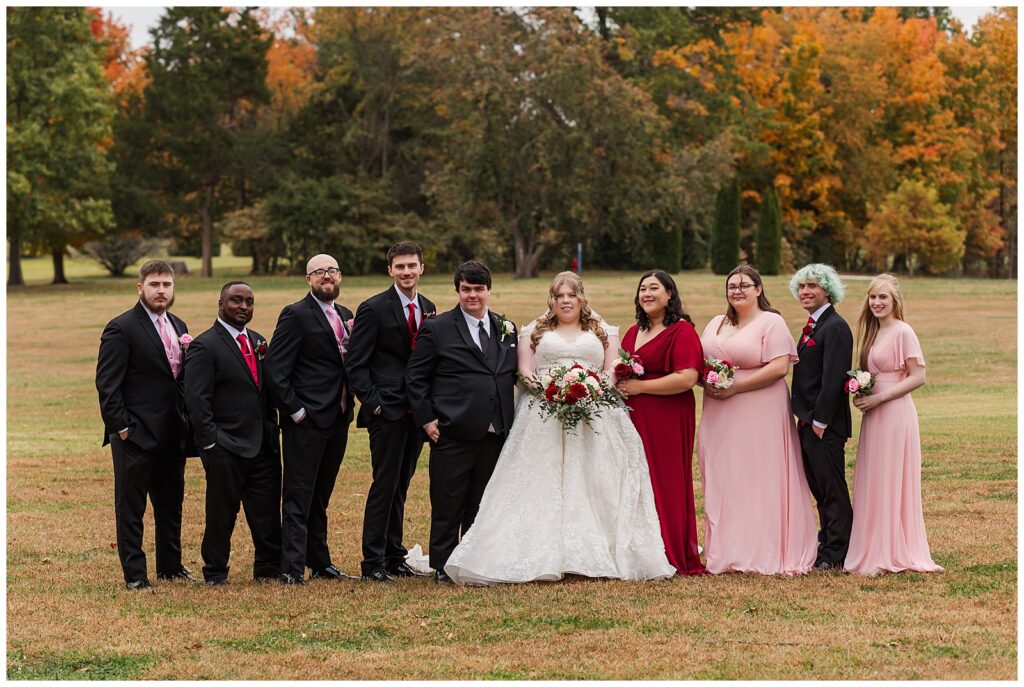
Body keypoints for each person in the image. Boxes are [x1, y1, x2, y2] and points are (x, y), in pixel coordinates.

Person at [444, 272, 675, 585]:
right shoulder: (532, 331)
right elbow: (524, 371)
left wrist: (594, 387)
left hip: (595, 411)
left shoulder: (603, 330)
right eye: (558, 296)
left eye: (571, 295)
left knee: (596, 479)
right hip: (544, 411)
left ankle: (596, 551)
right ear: (551, 300)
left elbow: (612, 367)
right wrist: (549, 391)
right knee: (542, 480)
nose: (565, 301)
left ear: (581, 298)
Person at [698, 265, 817, 575]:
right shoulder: (715, 323)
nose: (737, 290)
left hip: (760, 409)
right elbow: (698, 363)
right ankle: (727, 549)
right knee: (725, 476)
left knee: (759, 476)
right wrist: (706, 382)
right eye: (732, 285)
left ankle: (763, 549)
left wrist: (735, 385)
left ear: (759, 289)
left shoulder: (771, 322)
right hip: (719, 413)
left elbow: (779, 368)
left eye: (744, 285)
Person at [405, 260, 518, 585]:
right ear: (458, 291)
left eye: (478, 289)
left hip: (495, 431)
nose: (472, 295)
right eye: (466, 289)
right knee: (447, 500)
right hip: (452, 431)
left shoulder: (505, 327)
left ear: (488, 291)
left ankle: (472, 560)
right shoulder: (437, 328)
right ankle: (443, 564)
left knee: (481, 501)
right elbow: (415, 377)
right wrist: (427, 420)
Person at [96, 260, 195, 589]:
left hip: (171, 433)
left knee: (171, 505)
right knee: (131, 509)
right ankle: (135, 575)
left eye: (167, 284)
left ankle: (170, 565)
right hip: (135, 436)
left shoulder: (178, 325)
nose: (161, 290)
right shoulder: (121, 327)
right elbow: (107, 385)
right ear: (141, 288)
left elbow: (179, 379)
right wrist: (122, 428)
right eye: (155, 284)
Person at [347, 242, 436, 583]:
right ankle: (372, 562)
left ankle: (394, 555)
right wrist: (375, 403)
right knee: (384, 485)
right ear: (390, 271)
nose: (406, 272)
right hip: (387, 412)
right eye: (399, 267)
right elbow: (356, 364)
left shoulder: (428, 307)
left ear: (421, 268)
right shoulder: (373, 308)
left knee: (402, 484)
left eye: (412, 266)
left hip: (415, 412)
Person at [183, 282, 282, 585]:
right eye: (236, 300)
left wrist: (271, 430)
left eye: (249, 302)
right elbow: (197, 399)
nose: (243, 307)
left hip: (262, 444)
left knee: (266, 510)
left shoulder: (258, 341)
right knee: (221, 513)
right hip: (225, 445)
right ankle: (215, 571)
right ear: (221, 303)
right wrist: (211, 442)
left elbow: (265, 392)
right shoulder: (205, 345)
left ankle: (267, 567)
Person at [266, 254, 356, 585]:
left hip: (338, 418)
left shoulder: (346, 315)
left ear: (340, 276)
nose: (326, 276)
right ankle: (291, 567)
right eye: (319, 272)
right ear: (309, 279)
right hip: (306, 421)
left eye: (331, 270)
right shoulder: (295, 314)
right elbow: (275, 370)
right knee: (298, 494)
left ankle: (320, 561)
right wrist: (296, 411)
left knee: (321, 494)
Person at [844, 274, 942, 575]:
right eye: (872, 297)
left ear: (895, 301)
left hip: (895, 413)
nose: (876, 303)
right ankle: (872, 547)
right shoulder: (873, 332)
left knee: (891, 477)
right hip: (874, 415)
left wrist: (879, 398)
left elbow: (918, 377)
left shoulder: (903, 332)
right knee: (873, 478)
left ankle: (894, 550)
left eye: (882, 297)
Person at [617, 270, 705, 576]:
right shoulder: (632, 332)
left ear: (670, 294)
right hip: (633, 417)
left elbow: (687, 378)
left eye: (654, 288)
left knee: (665, 480)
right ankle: (640, 550)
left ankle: (671, 550)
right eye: (643, 289)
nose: (647, 294)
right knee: (637, 481)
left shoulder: (682, 331)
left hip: (667, 416)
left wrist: (641, 388)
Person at [789, 263, 855, 570]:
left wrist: (819, 422)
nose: (806, 292)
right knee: (819, 487)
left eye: (812, 286)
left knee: (832, 489)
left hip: (823, 425)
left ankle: (837, 552)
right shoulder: (814, 325)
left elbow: (833, 379)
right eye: (802, 287)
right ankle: (827, 542)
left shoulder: (836, 327)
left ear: (827, 289)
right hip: (807, 421)